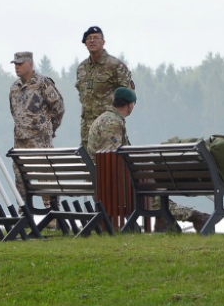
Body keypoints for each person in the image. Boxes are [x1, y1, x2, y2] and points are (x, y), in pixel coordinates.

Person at [86, 87, 209, 233]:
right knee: (153, 191)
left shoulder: (103, 118)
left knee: (151, 187)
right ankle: (195, 217)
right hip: (111, 184)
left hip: (103, 182)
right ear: (130, 105)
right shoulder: (112, 122)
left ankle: (164, 220)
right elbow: (112, 155)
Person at [8, 51, 65, 204]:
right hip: (20, 141)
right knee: (20, 176)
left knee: (45, 175)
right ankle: (24, 211)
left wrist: (49, 128)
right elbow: (14, 112)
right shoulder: (14, 87)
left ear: (30, 64)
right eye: (15, 64)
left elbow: (58, 107)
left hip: (40, 140)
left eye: (20, 64)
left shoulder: (43, 83)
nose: (17, 67)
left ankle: (51, 210)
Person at [75, 26, 135, 149]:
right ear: (85, 43)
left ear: (103, 42)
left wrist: (119, 116)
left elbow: (129, 95)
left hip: (109, 126)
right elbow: (82, 96)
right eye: (89, 38)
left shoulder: (115, 66)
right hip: (87, 128)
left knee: (111, 161)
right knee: (90, 164)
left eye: (96, 38)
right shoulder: (82, 69)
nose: (92, 41)